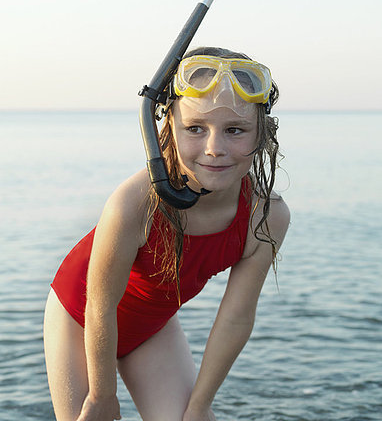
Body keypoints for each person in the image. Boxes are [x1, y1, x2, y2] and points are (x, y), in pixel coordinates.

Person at [43, 46, 290, 421]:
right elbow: (101, 305)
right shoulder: (134, 203)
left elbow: (236, 318)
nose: (214, 149)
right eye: (195, 128)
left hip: (151, 328)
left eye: (235, 130)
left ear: (261, 135)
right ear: (167, 128)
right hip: (80, 318)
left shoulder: (265, 217)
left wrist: (200, 405)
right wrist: (102, 394)